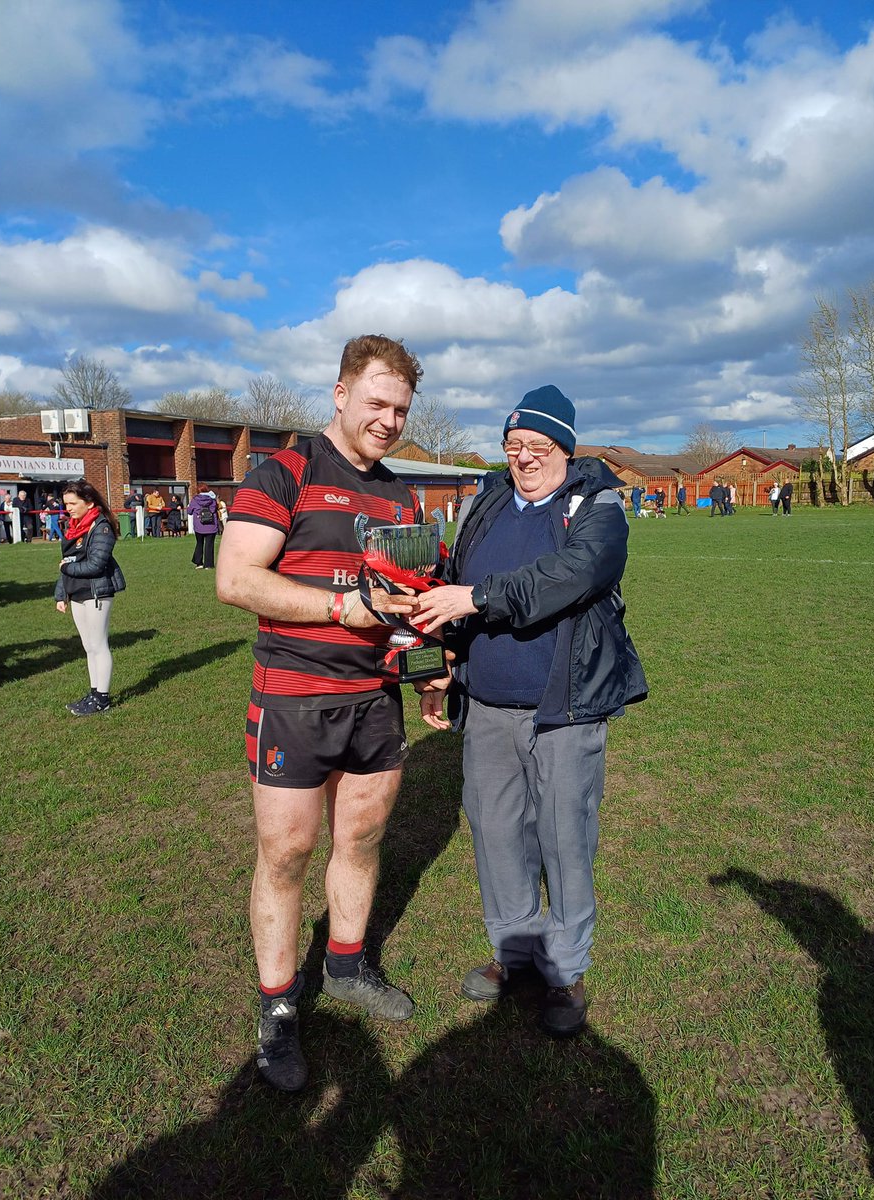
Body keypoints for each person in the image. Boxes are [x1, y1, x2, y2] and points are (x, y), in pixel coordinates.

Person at [216, 334, 424, 1094]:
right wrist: (340, 606)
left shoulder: (401, 496)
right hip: (293, 700)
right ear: (340, 395)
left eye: (400, 408)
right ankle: (277, 1009)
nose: (389, 419)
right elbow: (237, 579)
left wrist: (425, 664)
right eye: (376, 402)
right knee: (286, 854)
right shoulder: (284, 473)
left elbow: (404, 603)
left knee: (362, 838)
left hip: (375, 699)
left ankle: (345, 965)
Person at [411, 385, 647, 1039]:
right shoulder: (484, 506)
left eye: (537, 446)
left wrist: (476, 597)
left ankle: (566, 971)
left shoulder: (596, 509)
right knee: (494, 834)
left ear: (564, 449)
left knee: (565, 840)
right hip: (486, 708)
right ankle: (514, 955)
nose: (523, 458)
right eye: (512, 445)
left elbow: (567, 577)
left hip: (564, 711)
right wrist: (443, 672)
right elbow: (448, 588)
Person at [54, 479, 125, 717]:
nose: (69, 508)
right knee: (88, 646)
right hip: (77, 592)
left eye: (73, 503)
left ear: (89, 502)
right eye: (66, 504)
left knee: (98, 644)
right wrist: (61, 593)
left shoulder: (101, 527)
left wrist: (66, 569)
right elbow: (67, 560)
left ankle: (102, 698)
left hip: (96, 591)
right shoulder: (74, 526)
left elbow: (96, 564)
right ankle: (94, 693)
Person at [187, 486, 219, 569]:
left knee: (199, 543)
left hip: (199, 525)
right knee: (209, 545)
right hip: (211, 525)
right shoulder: (212, 500)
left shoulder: (194, 500)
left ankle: (199, 563)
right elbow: (215, 508)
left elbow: (189, 512)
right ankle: (208, 564)